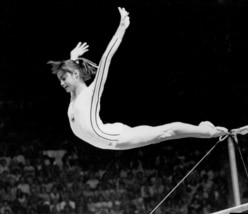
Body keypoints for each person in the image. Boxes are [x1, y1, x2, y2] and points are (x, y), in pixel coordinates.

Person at [48, 7, 228, 150]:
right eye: (60, 80)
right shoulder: (74, 96)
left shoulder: (90, 93)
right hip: (110, 131)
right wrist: (71, 58)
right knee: (160, 133)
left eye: (64, 78)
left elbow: (106, 58)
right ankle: (205, 128)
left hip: (115, 139)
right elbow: (74, 77)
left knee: (166, 132)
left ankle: (208, 131)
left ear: (76, 75)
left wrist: (121, 28)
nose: (62, 83)